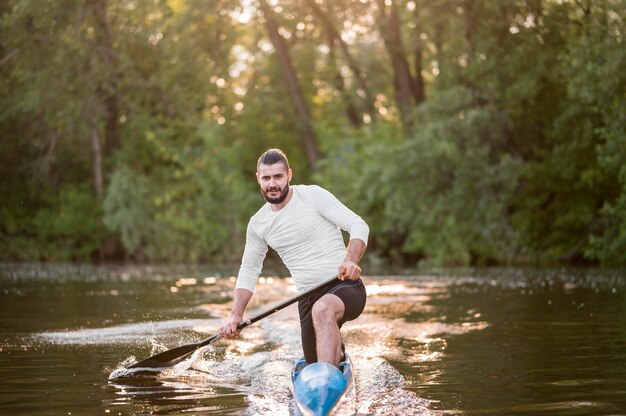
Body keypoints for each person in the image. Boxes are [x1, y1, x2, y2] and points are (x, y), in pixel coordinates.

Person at [219, 148, 369, 366]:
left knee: (323, 309)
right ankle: (336, 353)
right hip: (307, 297)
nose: (272, 183)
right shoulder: (258, 224)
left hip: (345, 285)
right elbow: (249, 270)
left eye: (278, 176)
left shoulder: (312, 196)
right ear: (258, 179)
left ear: (289, 175)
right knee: (313, 358)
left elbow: (358, 225)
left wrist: (351, 259)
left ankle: (326, 378)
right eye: (266, 178)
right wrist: (236, 314)